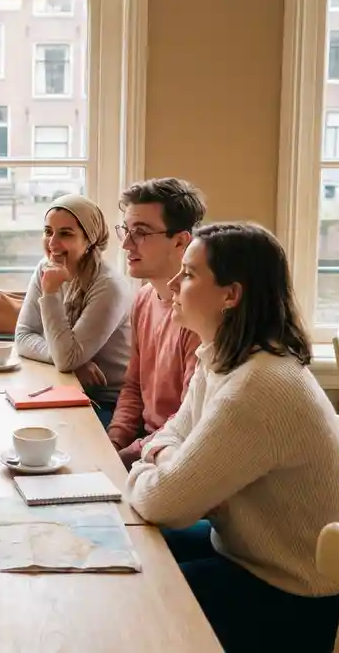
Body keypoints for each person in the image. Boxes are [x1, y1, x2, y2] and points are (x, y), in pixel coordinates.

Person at [124, 222, 339, 653]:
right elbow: (173, 430)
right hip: (243, 552)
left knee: (137, 599)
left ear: (230, 295)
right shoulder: (220, 356)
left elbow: (164, 503)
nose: (175, 283)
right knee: (130, 547)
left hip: (297, 596)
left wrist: (157, 460)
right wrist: (166, 454)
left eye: (190, 274)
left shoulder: (261, 386)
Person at [106, 178, 205, 469]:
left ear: (180, 241)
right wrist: (112, 443)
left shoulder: (200, 316)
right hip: (143, 444)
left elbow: (187, 423)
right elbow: (134, 387)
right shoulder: (144, 298)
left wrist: (119, 460)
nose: (126, 244)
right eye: (126, 230)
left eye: (141, 232)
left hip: (174, 456)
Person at [15, 193, 132, 425]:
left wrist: (50, 294)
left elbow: (66, 359)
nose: (52, 243)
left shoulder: (109, 285)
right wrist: (73, 362)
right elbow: (23, 335)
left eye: (65, 234)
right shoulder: (45, 268)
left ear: (89, 240)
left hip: (107, 402)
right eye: (48, 231)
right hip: (65, 386)